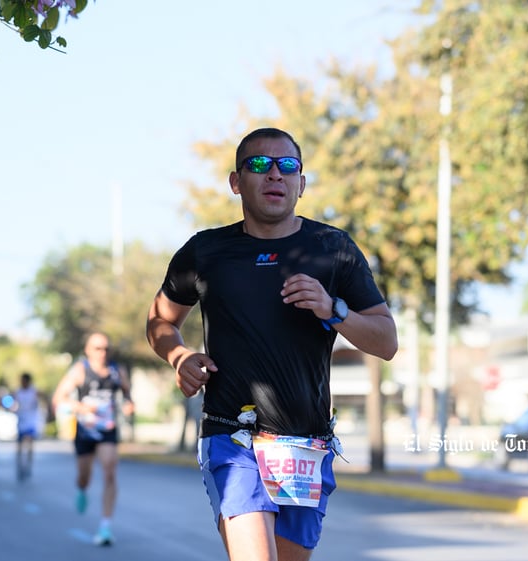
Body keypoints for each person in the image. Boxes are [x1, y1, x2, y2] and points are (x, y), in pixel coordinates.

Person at [145, 127, 398, 561]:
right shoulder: (206, 252)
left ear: (302, 183)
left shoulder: (332, 249)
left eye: (288, 166)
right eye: (259, 164)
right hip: (233, 437)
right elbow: (160, 321)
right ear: (235, 182)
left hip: (305, 446)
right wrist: (179, 354)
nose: (275, 174)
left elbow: (386, 341)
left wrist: (333, 309)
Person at [52, 332, 135, 547]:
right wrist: (80, 407)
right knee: (84, 476)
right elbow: (58, 398)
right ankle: (81, 488)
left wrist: (128, 404)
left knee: (109, 471)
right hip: (85, 431)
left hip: (108, 429)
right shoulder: (80, 370)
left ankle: (105, 527)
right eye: (97, 348)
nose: (102, 353)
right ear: (88, 350)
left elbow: (127, 394)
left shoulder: (117, 371)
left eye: (106, 348)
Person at [10, 372, 40, 481]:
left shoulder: (34, 391)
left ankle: (28, 466)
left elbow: (40, 401)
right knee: (19, 447)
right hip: (21, 422)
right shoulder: (17, 392)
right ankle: (20, 467)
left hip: (31, 422)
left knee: (29, 445)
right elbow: (9, 402)